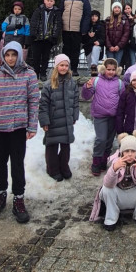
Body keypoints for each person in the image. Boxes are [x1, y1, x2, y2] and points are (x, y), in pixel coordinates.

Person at [0, 41, 39, 224]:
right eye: (7, 55)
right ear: (3, 56)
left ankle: (19, 199)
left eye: (14, 55)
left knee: (17, 164)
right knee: (1, 164)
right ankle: (0, 196)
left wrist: (31, 126)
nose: (11, 58)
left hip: (18, 128)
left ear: (19, 55)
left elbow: (33, 101)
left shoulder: (29, 74)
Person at [89, 131, 136, 231]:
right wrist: (114, 169)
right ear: (122, 152)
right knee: (106, 188)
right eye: (127, 151)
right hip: (119, 197)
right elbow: (107, 184)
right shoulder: (115, 161)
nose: (130, 154)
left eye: (133, 151)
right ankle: (111, 218)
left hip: (135, 196)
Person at [38, 54, 79, 182]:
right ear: (56, 66)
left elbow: (75, 102)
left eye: (66, 65)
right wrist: (44, 121)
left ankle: (64, 166)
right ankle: (53, 169)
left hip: (66, 120)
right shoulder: (49, 84)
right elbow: (43, 105)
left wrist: (74, 116)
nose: (64, 68)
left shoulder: (72, 83)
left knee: (66, 146)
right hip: (53, 120)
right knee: (52, 146)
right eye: (61, 65)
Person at [81, 58, 124, 176]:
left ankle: (103, 161)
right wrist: (87, 87)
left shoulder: (120, 83)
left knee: (109, 140)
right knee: (101, 139)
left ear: (116, 70)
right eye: (108, 69)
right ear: (104, 69)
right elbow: (85, 96)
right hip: (100, 115)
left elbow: (123, 100)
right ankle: (96, 162)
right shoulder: (96, 81)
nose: (110, 72)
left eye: (113, 70)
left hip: (113, 116)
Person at [61, 0, 92, 76]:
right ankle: (65, 68)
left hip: (77, 30)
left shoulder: (84, 1)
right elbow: (60, 12)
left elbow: (87, 15)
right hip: (65, 29)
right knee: (66, 49)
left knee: (75, 50)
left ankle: (74, 69)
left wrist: (84, 29)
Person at [29, 0, 62, 81]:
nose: (49, 2)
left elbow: (57, 25)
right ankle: (36, 73)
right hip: (37, 38)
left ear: (54, 2)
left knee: (45, 57)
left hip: (48, 39)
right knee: (36, 57)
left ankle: (43, 73)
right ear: (44, 1)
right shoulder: (38, 10)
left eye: (51, 1)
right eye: (48, 0)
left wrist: (54, 36)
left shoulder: (56, 12)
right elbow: (33, 22)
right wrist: (33, 34)